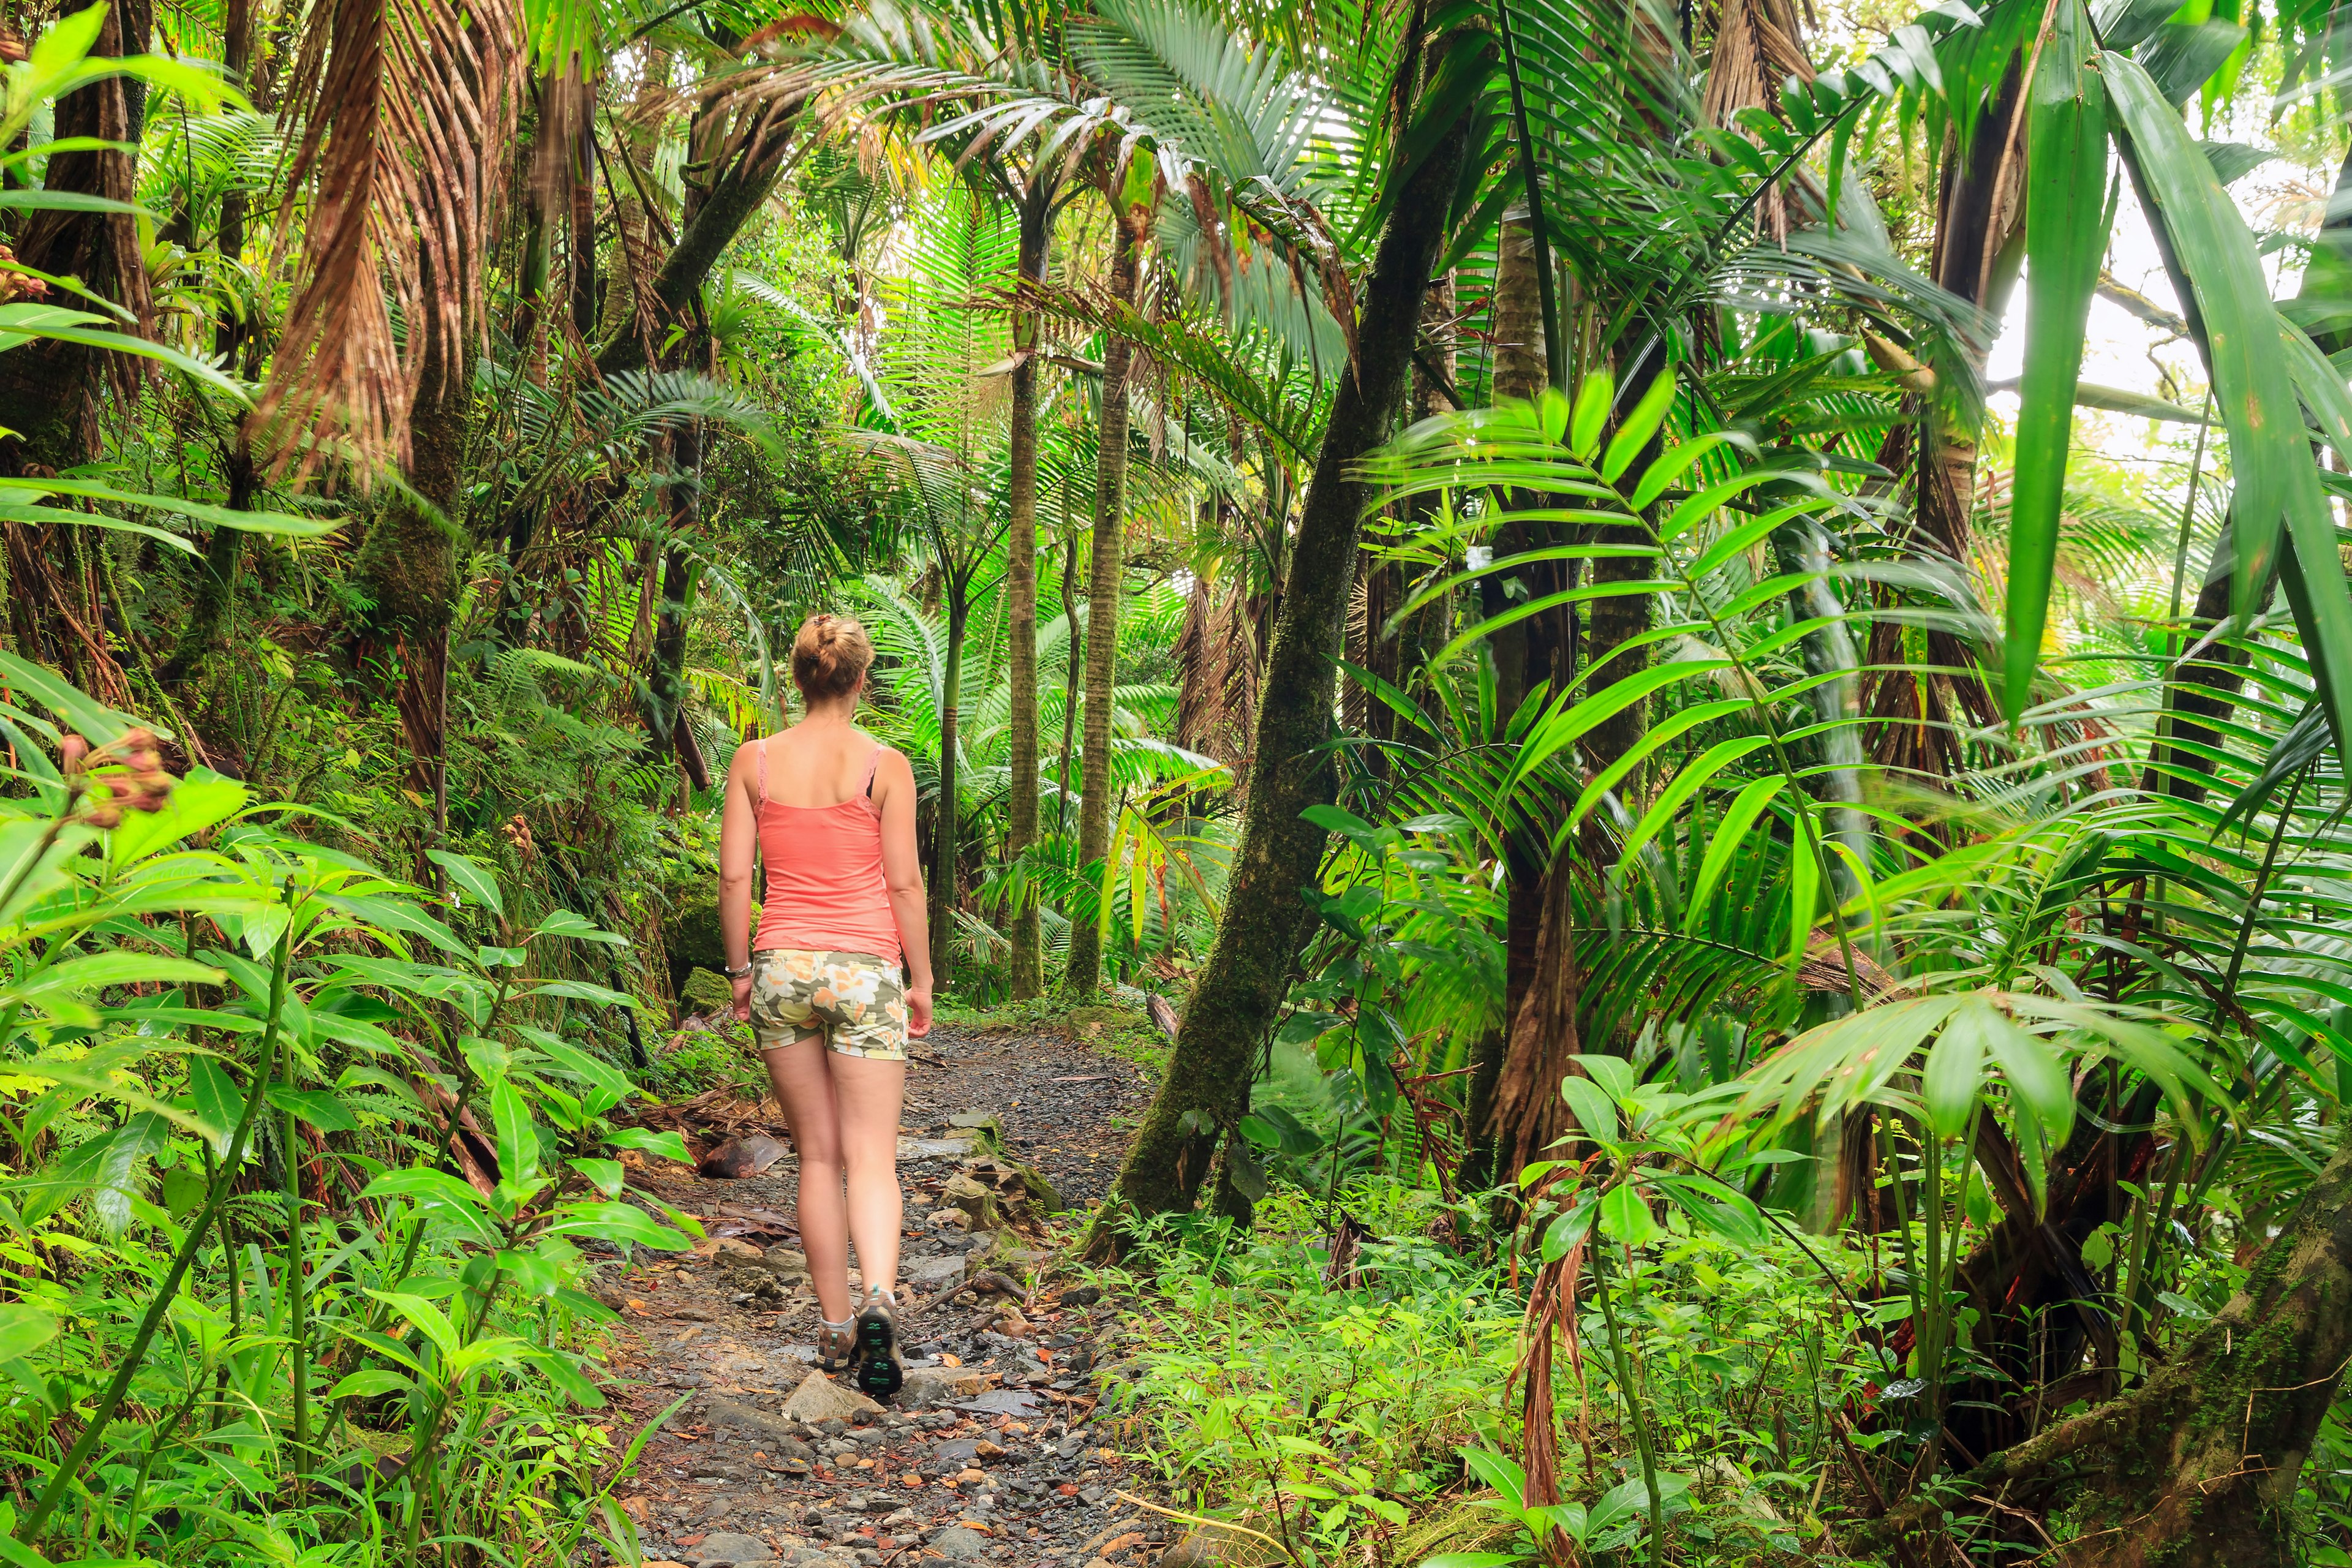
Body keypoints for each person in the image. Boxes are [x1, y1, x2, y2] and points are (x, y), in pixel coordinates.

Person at [720, 612, 933, 1398]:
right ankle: (880, 1297)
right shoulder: (886, 766)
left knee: (817, 1154)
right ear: (860, 679)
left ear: (800, 677)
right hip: (866, 969)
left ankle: (836, 1325)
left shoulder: (756, 761)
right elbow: (905, 883)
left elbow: (737, 880)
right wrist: (922, 978)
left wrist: (741, 971)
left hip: (781, 966)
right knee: (872, 1153)